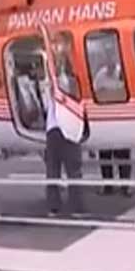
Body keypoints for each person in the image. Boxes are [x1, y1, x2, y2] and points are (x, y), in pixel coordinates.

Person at [42, 84, 86, 216]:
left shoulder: (51, 88)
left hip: (53, 131)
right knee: (74, 171)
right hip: (70, 128)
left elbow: (45, 107)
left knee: (52, 170)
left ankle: (53, 207)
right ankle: (76, 207)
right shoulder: (72, 88)